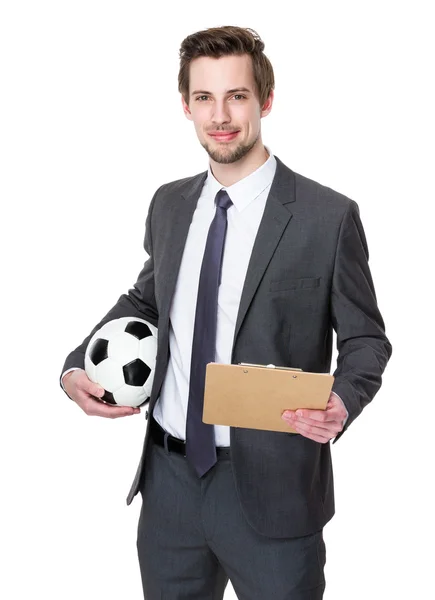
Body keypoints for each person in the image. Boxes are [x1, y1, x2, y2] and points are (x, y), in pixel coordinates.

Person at [60, 25, 392, 600]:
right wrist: (74, 366)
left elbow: (367, 341)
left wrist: (342, 400)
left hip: (273, 489)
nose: (221, 115)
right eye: (205, 98)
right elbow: (145, 302)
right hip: (169, 486)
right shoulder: (169, 204)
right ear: (185, 106)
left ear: (265, 100)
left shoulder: (327, 216)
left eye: (236, 96)